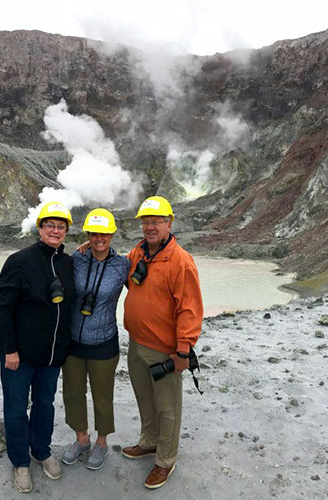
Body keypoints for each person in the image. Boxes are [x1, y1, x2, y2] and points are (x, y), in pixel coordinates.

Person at [0, 201, 75, 493]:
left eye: (61, 226)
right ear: (40, 228)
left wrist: (64, 347)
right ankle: (20, 461)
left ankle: (40, 450)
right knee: (16, 408)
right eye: (50, 225)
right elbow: (2, 307)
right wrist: (9, 348)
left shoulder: (68, 263)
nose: (55, 230)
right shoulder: (19, 261)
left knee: (45, 405)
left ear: (66, 231)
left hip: (51, 355)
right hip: (19, 355)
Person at [121, 195, 203, 490]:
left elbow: (190, 308)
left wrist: (183, 349)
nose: (150, 227)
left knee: (167, 407)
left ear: (169, 223)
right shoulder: (138, 254)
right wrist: (87, 250)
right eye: (145, 222)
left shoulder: (180, 261)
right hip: (136, 344)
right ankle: (149, 442)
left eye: (156, 221)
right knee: (145, 398)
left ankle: (165, 459)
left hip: (165, 350)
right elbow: (120, 272)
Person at [60, 209, 130, 471]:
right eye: (94, 233)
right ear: (87, 235)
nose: (99, 238)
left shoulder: (123, 264)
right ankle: (82, 439)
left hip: (105, 342)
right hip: (74, 342)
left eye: (104, 233)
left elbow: (146, 283)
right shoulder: (75, 259)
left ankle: (101, 443)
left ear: (112, 234)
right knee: (73, 394)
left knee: (103, 397)